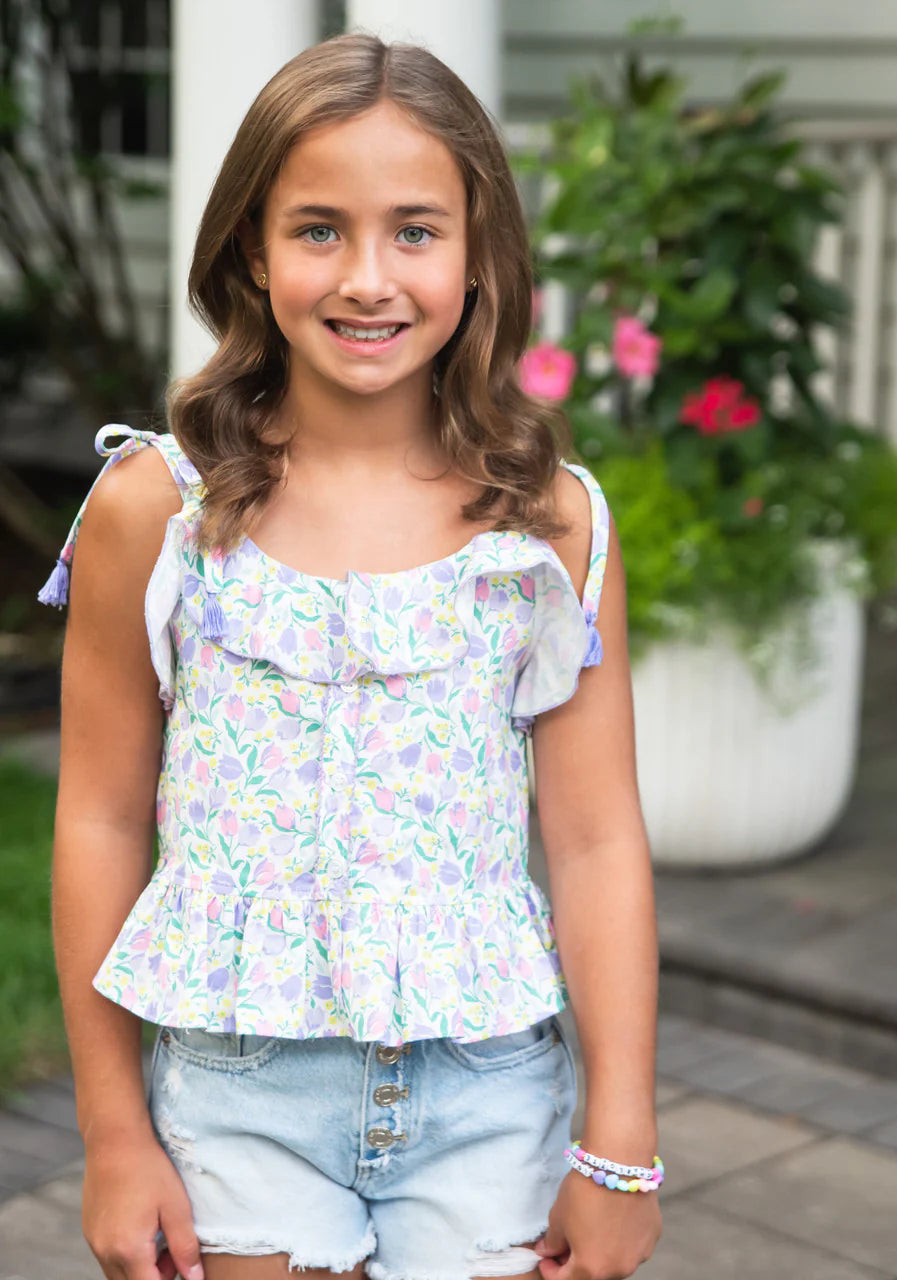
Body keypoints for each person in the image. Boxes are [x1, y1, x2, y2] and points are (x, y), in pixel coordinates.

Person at [38, 31, 661, 1280]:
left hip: (490, 1090)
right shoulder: (157, 509)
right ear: (250, 250)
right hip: (238, 1093)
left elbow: (596, 842)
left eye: (414, 231)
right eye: (318, 228)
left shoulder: (546, 524)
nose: (367, 278)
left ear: (477, 254)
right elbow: (99, 819)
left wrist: (619, 1147)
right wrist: (112, 1131)